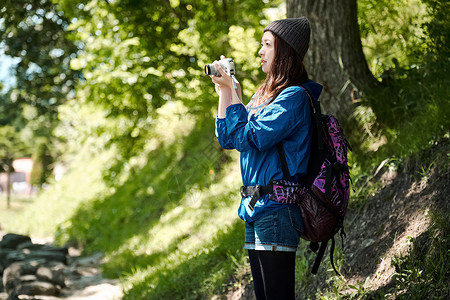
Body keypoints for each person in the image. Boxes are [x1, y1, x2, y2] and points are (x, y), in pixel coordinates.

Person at [210, 17, 323, 299]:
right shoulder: (264, 96)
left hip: (277, 210)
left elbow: (252, 136)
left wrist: (234, 93)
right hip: (255, 208)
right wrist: (226, 91)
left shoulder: (293, 97)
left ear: (284, 52)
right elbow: (229, 138)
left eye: (267, 45)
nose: (260, 51)